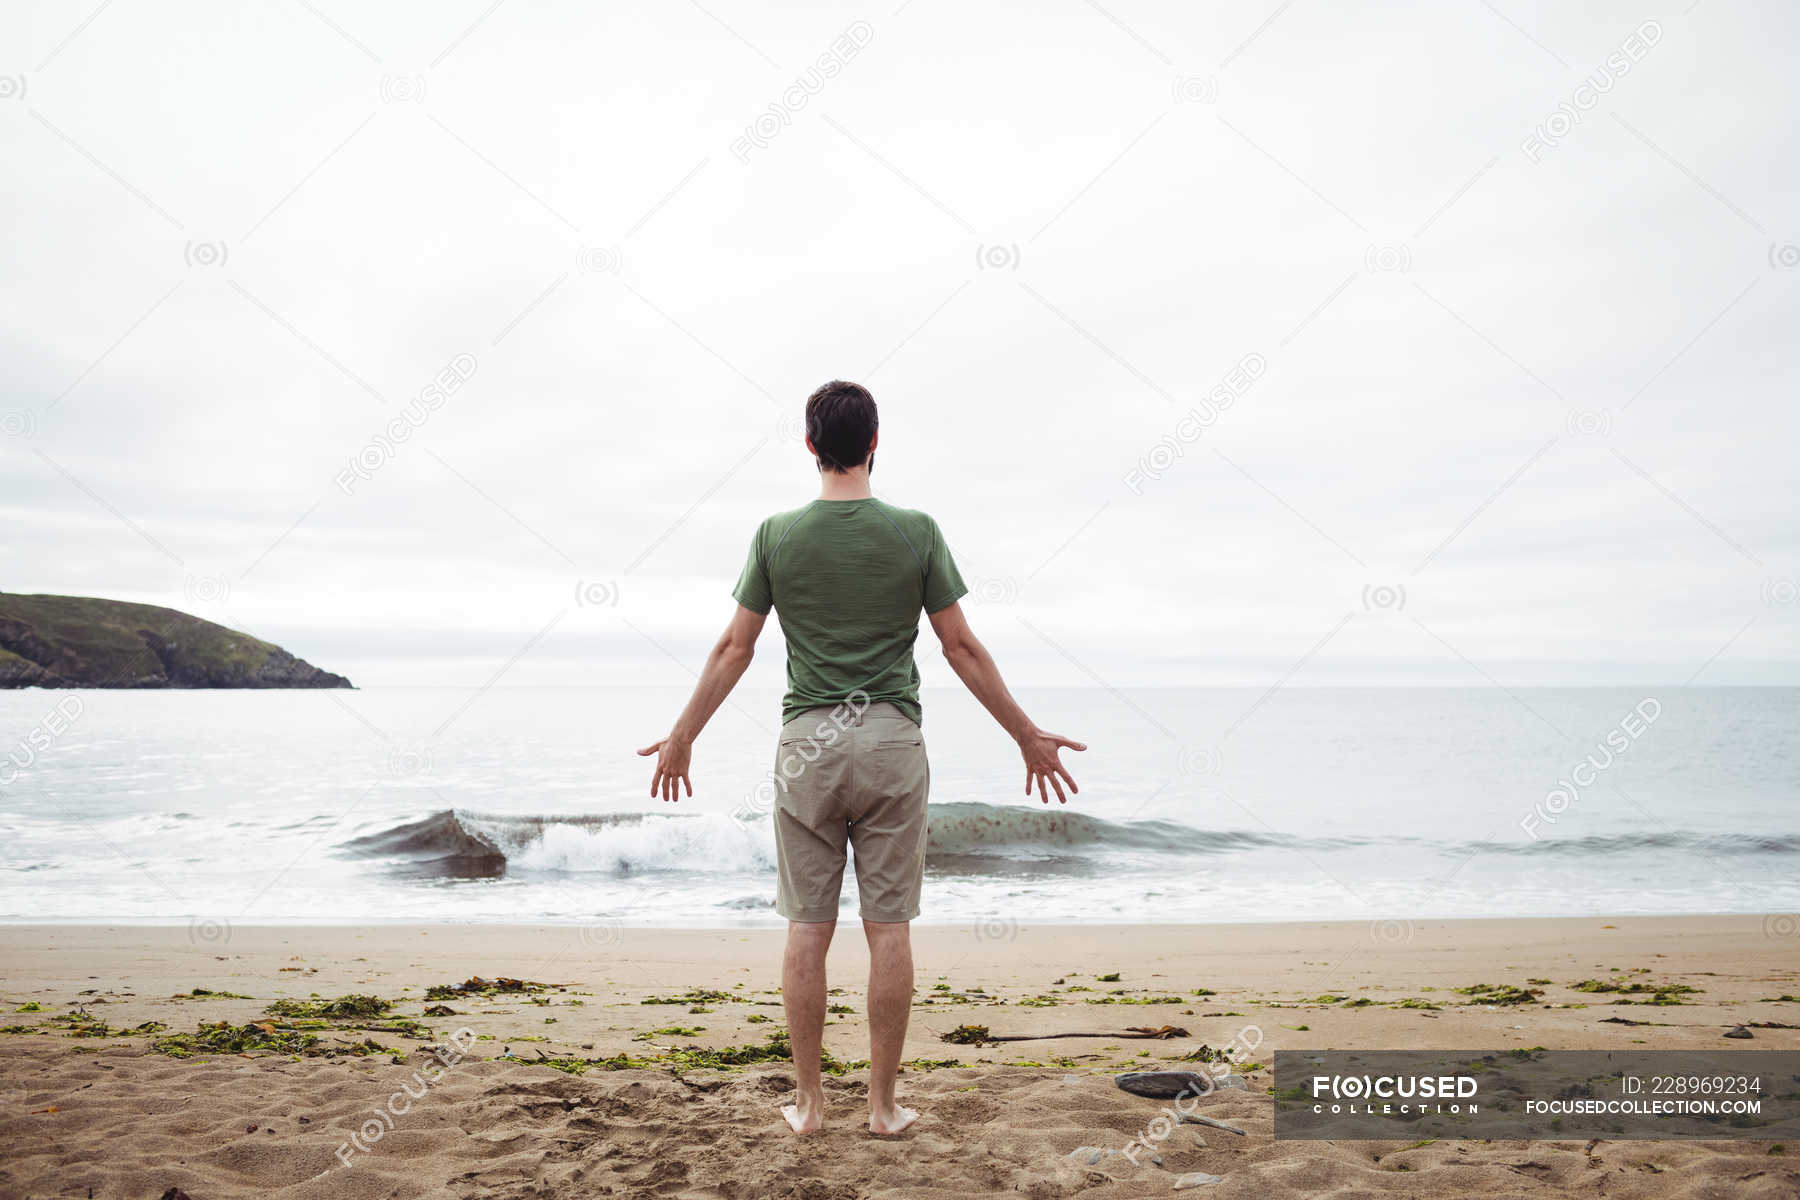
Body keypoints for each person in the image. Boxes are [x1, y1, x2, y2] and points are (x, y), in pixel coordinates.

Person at [637, 380, 1085, 1135]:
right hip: (889, 743)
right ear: (875, 443)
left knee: (807, 929)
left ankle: (809, 1107)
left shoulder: (775, 534)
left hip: (807, 745)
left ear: (811, 446)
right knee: (890, 929)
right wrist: (1025, 735)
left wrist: (684, 735)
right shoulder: (916, 531)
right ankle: (881, 1108)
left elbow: (733, 648)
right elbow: (961, 647)